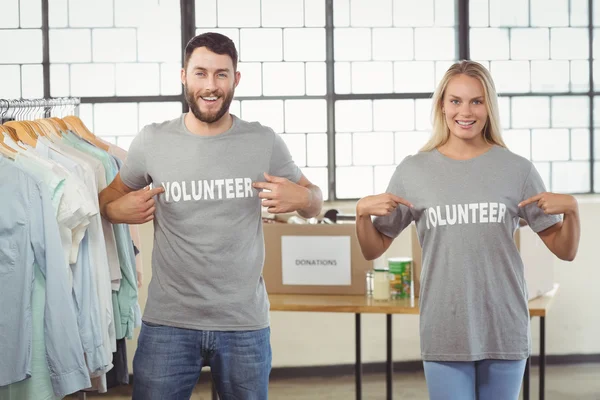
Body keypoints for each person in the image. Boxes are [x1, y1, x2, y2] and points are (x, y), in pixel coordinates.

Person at [98, 32, 323, 400]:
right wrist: (114, 210)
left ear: (236, 79)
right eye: (201, 73)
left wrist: (304, 198)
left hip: (244, 323)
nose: (211, 85)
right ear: (183, 76)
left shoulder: (262, 141)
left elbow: (315, 200)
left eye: (221, 74)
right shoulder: (152, 141)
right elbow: (108, 198)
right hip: (169, 322)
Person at [355, 60, 580, 400]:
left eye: (477, 101)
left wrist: (573, 211)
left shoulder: (516, 169)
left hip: (504, 325)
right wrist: (360, 214)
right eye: (456, 100)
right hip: (444, 327)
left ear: (489, 106)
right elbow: (374, 248)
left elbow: (565, 250)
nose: (466, 111)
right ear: (442, 105)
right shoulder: (413, 171)